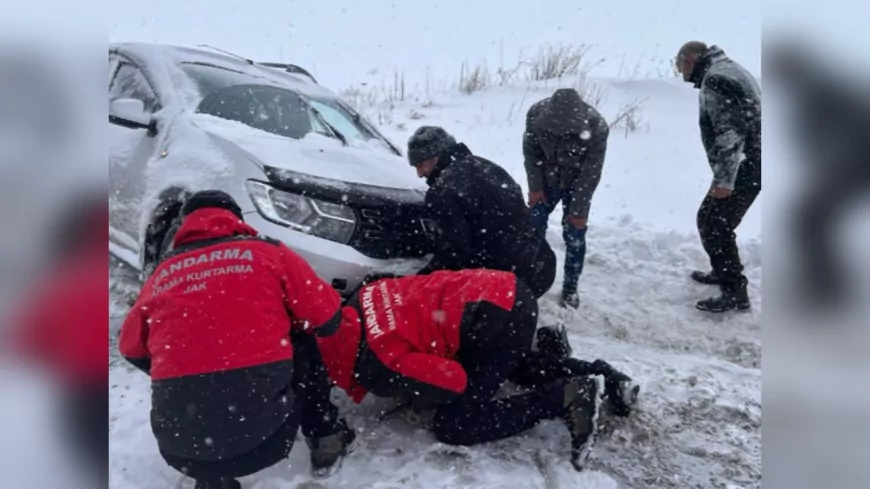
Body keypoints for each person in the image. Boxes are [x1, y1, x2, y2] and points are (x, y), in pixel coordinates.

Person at [118, 190, 356, 489]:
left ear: (185, 225)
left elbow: (130, 347)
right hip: (265, 440)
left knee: (185, 359)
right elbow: (328, 317)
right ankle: (325, 438)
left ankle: (211, 477)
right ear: (235, 218)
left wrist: (186, 364)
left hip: (180, 448)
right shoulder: (268, 252)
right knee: (304, 342)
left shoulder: (164, 273)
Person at [313, 269, 637, 471]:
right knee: (510, 364)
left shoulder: (377, 364)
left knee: (457, 424)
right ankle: (608, 378)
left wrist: (417, 387)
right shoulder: (360, 299)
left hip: (494, 320)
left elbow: (453, 381)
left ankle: (568, 396)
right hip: (499, 290)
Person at [407, 126, 557, 299]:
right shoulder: (485, 166)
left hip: (507, 283)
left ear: (435, 158)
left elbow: (455, 253)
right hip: (539, 264)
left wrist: (417, 284)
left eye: (420, 165)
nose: (419, 174)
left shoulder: (443, 190)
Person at [675, 42, 762, 312]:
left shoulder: (716, 79)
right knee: (711, 220)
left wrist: (725, 180)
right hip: (751, 162)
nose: (680, 74)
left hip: (745, 165)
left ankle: (734, 291)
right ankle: (722, 272)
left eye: (679, 67)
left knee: (715, 224)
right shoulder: (728, 69)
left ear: (690, 61)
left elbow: (729, 133)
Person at [523, 88, 609, 308]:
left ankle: (570, 286)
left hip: (577, 183)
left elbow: (591, 171)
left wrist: (578, 210)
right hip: (545, 180)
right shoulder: (535, 114)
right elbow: (532, 155)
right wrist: (535, 188)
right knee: (532, 228)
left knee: (575, 234)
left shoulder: (596, 126)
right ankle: (529, 276)